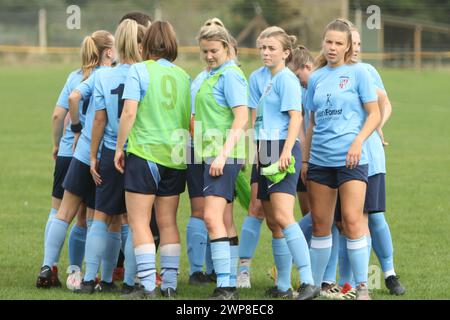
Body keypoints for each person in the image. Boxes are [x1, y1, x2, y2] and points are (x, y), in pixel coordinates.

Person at [303, 19, 380, 300]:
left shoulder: (359, 73)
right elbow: (311, 122)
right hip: (320, 161)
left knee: (351, 221)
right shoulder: (316, 78)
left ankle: (362, 288)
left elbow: (374, 114)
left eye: (339, 43)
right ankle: (313, 285)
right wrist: (305, 160)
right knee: (321, 224)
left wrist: (358, 142)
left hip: (351, 160)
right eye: (329, 42)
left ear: (348, 47)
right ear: (323, 43)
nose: (332, 47)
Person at [115, 21, 191, 299]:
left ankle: (147, 287)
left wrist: (119, 148)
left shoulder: (138, 69)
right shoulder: (184, 76)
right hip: (176, 156)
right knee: (168, 221)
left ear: (145, 44)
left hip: (145, 153)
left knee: (139, 222)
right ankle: (169, 286)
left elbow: (129, 113)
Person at [36, 30, 116, 288]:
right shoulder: (110, 76)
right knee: (94, 218)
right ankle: (89, 274)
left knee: (60, 211)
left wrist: (59, 143)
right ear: (108, 51)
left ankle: (49, 266)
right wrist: (81, 130)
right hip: (97, 154)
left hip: (70, 153)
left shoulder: (74, 76)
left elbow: (58, 116)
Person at [75, 19, 148, 295]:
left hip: (108, 150)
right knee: (133, 220)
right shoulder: (146, 73)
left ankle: (89, 279)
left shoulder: (104, 75)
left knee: (102, 217)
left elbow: (99, 120)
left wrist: (92, 156)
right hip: (137, 152)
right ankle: (128, 283)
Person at [336, 25, 405, 296]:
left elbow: (385, 104)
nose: (357, 48)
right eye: (352, 43)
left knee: (375, 217)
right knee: (348, 222)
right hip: (340, 158)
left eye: (360, 43)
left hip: (370, 157)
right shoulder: (331, 75)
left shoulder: (366, 71)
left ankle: (389, 273)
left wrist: (378, 125)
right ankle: (349, 281)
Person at [252, 26, 318, 300]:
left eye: (272, 48)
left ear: (286, 53)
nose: (265, 53)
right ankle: (283, 287)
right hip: (266, 148)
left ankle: (308, 281)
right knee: (273, 222)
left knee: (283, 216)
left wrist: (286, 152)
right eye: (263, 48)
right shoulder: (267, 78)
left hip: (281, 149)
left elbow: (296, 118)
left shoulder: (287, 80)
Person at [192, 24, 248, 300]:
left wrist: (224, 154)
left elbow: (241, 117)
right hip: (210, 156)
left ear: (227, 48)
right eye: (204, 51)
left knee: (210, 218)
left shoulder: (231, 75)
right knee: (222, 220)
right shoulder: (211, 75)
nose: (209, 56)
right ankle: (229, 284)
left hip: (222, 157)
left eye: (214, 50)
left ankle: (226, 286)